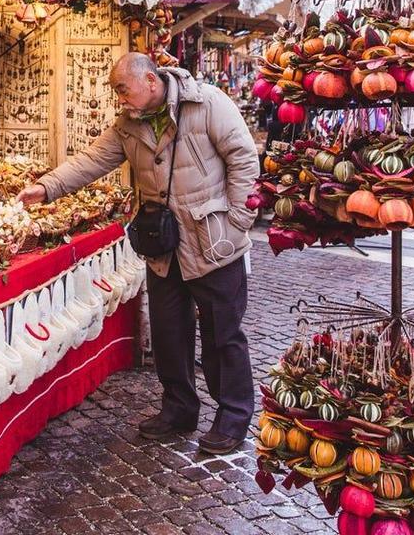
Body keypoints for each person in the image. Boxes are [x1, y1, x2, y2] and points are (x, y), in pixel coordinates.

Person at [16, 52, 260, 454]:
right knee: (168, 333)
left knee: (222, 334)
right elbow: (94, 160)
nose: (120, 99)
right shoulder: (128, 125)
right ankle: (179, 409)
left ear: (150, 81)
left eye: (123, 90)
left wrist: (235, 222)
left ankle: (232, 417)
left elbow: (243, 159)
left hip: (213, 241)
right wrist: (47, 187)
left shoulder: (208, 102)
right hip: (164, 246)